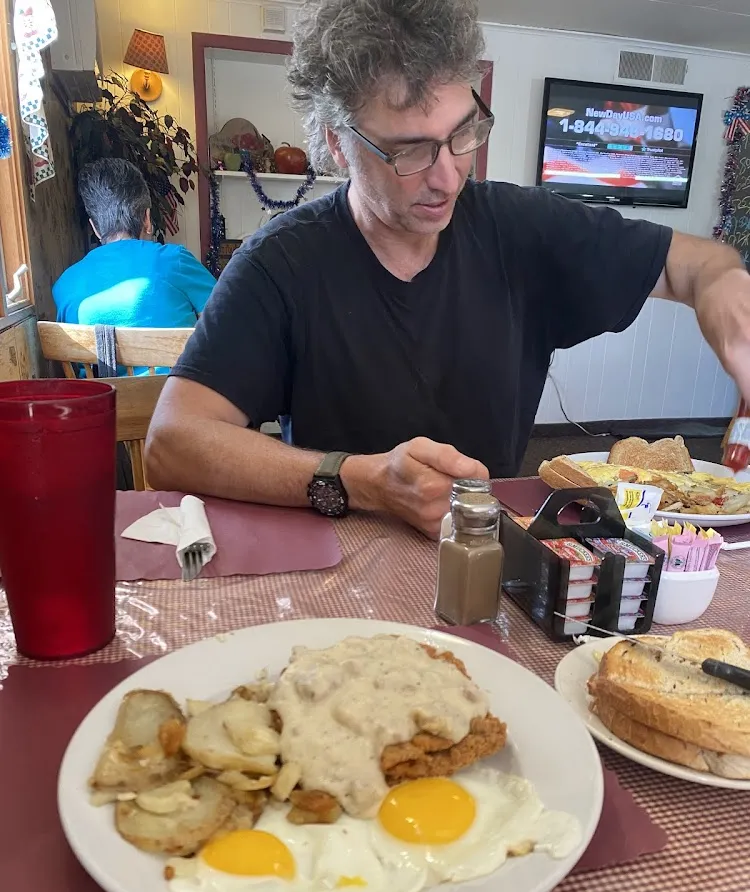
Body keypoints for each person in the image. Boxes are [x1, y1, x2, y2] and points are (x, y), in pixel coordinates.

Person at [145, 0, 750, 538]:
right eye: (409, 149)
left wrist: (727, 293)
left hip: (488, 552)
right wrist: (363, 479)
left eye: (462, 134)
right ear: (338, 143)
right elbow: (172, 446)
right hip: (337, 563)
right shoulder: (282, 263)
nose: (447, 175)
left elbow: (703, 266)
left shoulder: (522, 230)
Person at [53, 157, 215, 375]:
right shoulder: (174, 259)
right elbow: (227, 319)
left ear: (95, 228)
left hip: (103, 407)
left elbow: (74, 364)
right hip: (180, 404)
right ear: (147, 219)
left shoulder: (65, 285)